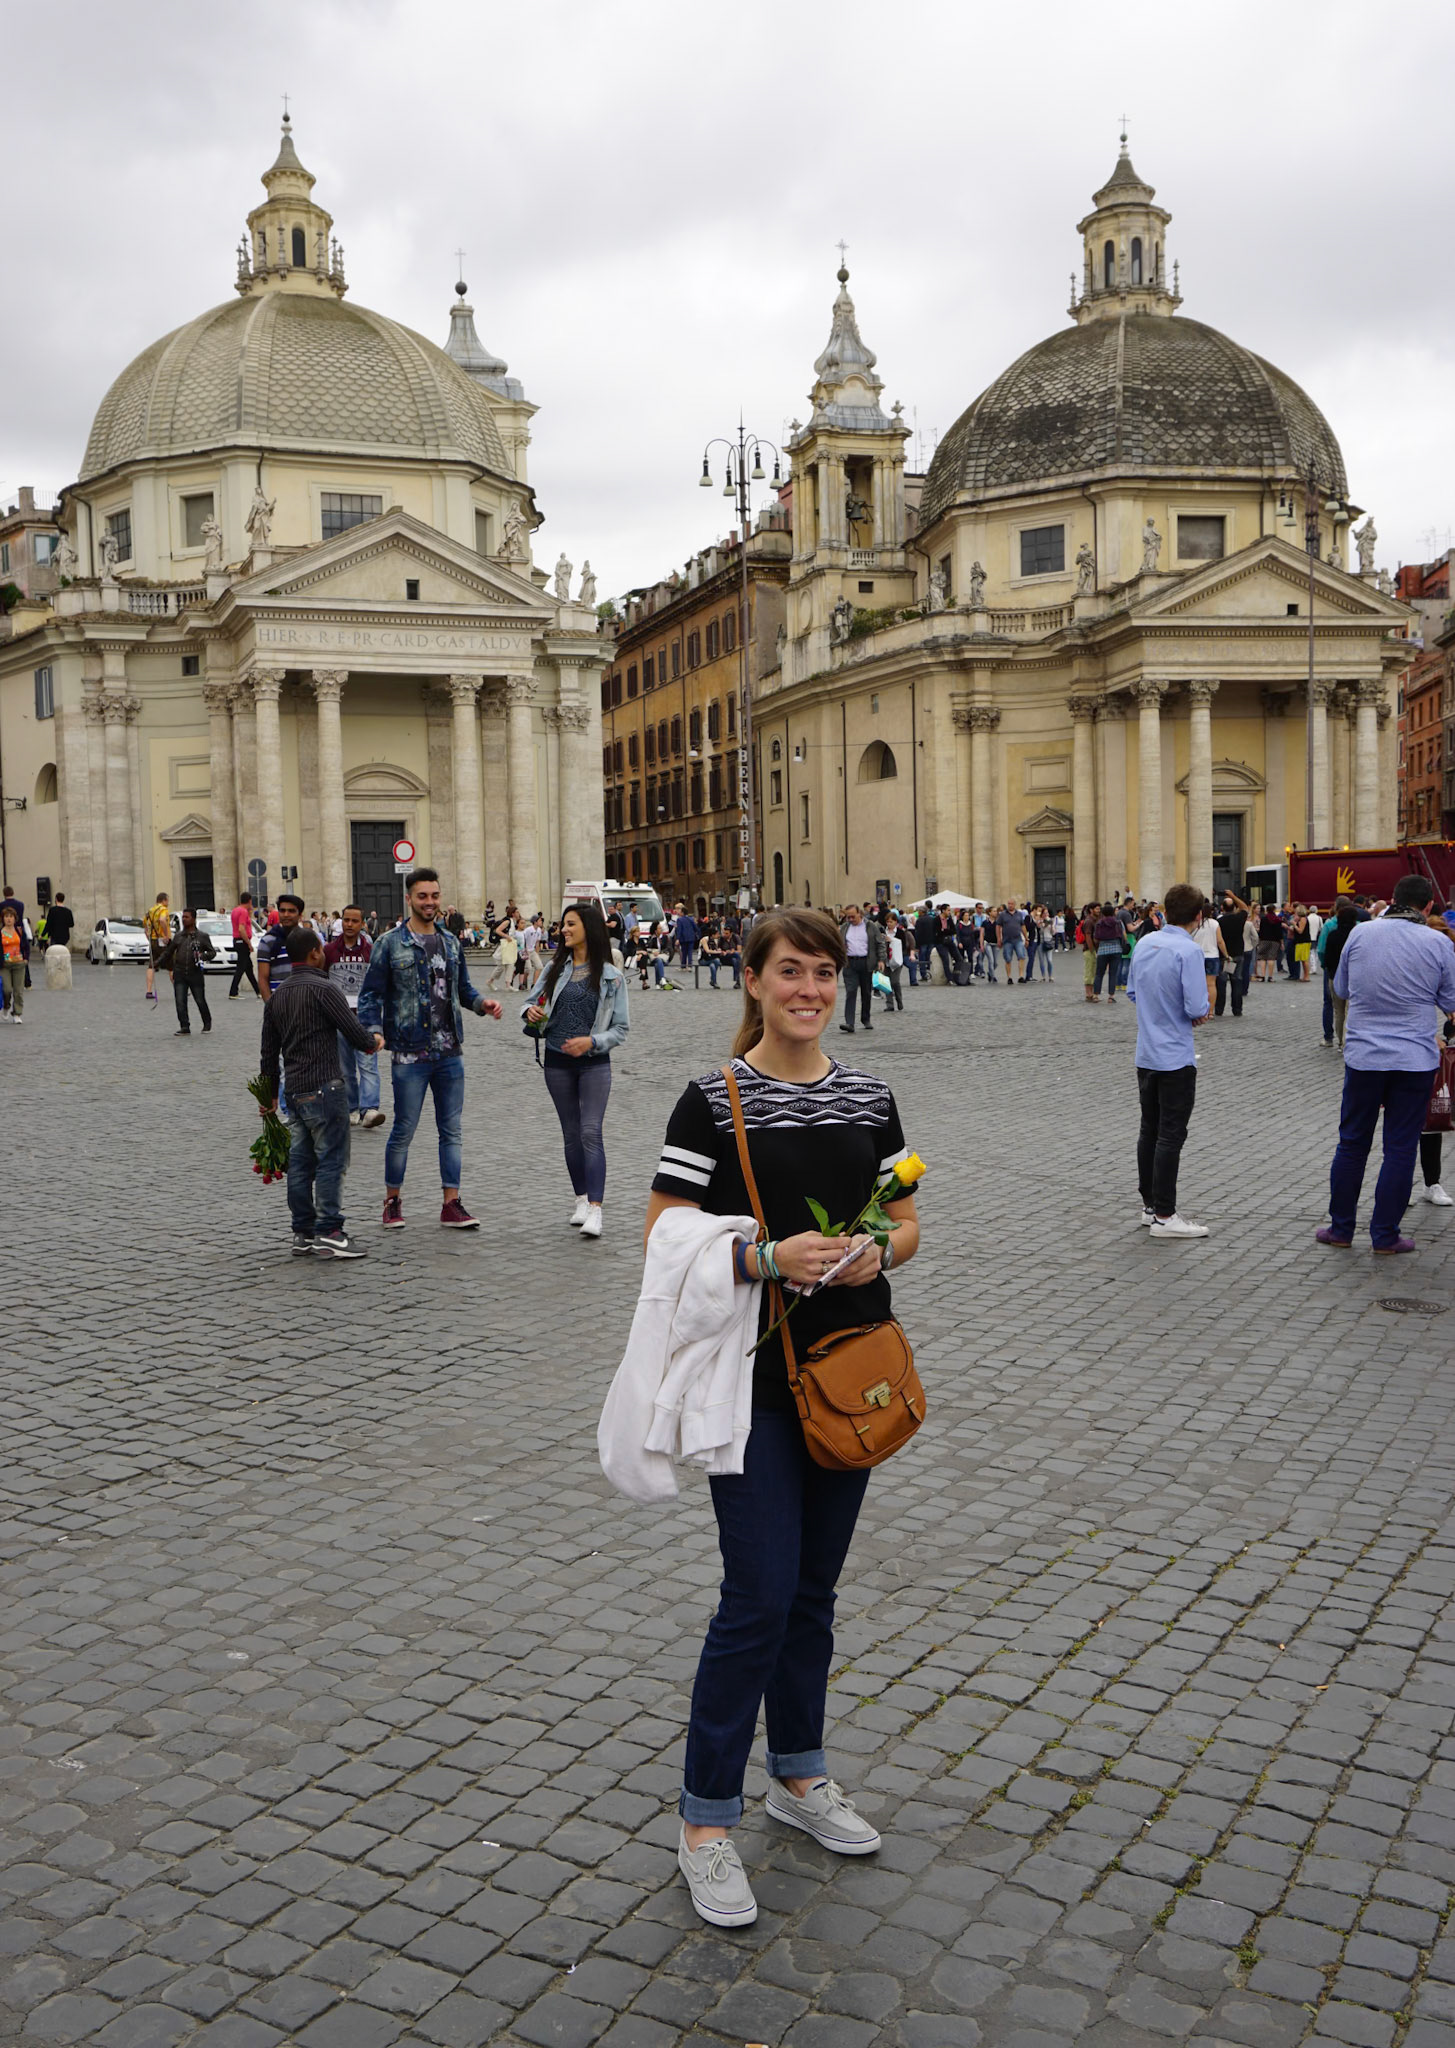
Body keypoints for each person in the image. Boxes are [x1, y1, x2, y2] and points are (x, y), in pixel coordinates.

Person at [645, 908, 921, 1927]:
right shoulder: (712, 1100)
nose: (809, 989)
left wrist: (876, 1250)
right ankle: (705, 1820)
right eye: (790, 972)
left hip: (850, 1372)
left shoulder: (870, 1094)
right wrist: (765, 1255)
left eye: (822, 973)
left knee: (813, 1591)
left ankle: (798, 1775)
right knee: (756, 1594)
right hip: (753, 1380)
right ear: (753, 981)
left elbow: (907, 1216)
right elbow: (663, 1229)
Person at [358, 867, 504, 1230]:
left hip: (449, 1052)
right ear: (409, 898)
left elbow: (464, 990)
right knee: (404, 1129)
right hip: (409, 1053)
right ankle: (392, 1202)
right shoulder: (389, 943)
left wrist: (481, 1004)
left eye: (435, 896)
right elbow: (370, 996)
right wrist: (374, 1031)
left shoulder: (451, 943)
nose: (430, 903)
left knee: (451, 1130)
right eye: (422, 896)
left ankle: (451, 1204)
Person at [1317, 875, 1455, 1255]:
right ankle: (1385, 1235)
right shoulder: (1438, 943)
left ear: (1393, 899)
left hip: (1364, 1057)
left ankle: (1341, 1229)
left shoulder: (1361, 935)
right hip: (1413, 1059)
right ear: (1428, 907)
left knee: (1352, 1143)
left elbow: (1341, 989)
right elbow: (1450, 1000)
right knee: (1400, 1147)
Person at [260, 924, 380, 1258]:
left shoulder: (278, 996)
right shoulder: (325, 989)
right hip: (325, 1088)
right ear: (314, 952)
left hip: (294, 1092)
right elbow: (354, 1033)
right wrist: (374, 1042)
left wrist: (269, 1096)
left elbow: (268, 1053)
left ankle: (303, 1232)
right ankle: (329, 1229)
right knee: (331, 1160)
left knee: (300, 1164)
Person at [524, 902, 630, 1240]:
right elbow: (530, 1001)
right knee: (570, 1133)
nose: (563, 930)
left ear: (588, 927)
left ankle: (596, 1209)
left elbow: (621, 1029)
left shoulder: (612, 975)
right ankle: (581, 1200)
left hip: (594, 1063)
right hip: (557, 1061)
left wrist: (593, 1041)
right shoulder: (554, 969)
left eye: (570, 924)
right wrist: (529, 1012)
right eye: (562, 925)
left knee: (590, 1131)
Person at [1125, 881, 1211, 1239]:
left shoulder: (1145, 941)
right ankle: (1165, 1214)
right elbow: (1196, 1007)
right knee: (1171, 1136)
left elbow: (1131, 990)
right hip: (1175, 1054)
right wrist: (1198, 1012)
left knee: (1150, 1130)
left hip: (1146, 1052)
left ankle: (1149, 1206)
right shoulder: (1188, 951)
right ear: (1198, 916)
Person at [325, 906, 386, 1129]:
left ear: (362, 924)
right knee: (345, 1068)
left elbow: (380, 982)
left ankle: (370, 1109)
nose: (349, 924)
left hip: (366, 1017)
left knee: (368, 1065)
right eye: (346, 920)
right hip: (339, 1018)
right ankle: (351, 1107)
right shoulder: (329, 951)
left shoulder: (371, 951)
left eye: (354, 921)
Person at [156, 908, 217, 1035]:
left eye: (187, 917)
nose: (184, 919)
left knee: (200, 1000)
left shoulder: (202, 936)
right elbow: (169, 952)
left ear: (194, 919)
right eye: (183, 917)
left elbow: (212, 952)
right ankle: (184, 1026)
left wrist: (202, 956)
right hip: (180, 972)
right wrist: (157, 962)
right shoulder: (178, 936)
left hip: (195, 973)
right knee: (180, 1000)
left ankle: (207, 1022)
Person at [1317, 897, 1358, 1047]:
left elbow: (1321, 950)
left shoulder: (1329, 926)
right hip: (1355, 973)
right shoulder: (1359, 928)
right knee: (1353, 1007)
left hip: (1334, 971)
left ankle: (1330, 1037)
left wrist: (1325, 966)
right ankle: (1353, 1039)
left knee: (1332, 1005)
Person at [838, 903, 884, 1034]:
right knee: (851, 991)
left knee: (866, 992)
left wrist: (881, 960)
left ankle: (866, 1019)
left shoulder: (871, 926)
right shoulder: (845, 928)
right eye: (848, 917)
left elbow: (880, 943)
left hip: (866, 962)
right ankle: (849, 1022)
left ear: (860, 914)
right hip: (850, 963)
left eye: (852, 917)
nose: (850, 919)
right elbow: (839, 943)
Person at [257, 895, 305, 1001]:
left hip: (304, 1002)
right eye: (282, 911)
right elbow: (263, 978)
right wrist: (270, 1006)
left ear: (300, 915)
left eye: (291, 911)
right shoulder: (267, 941)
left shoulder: (308, 939)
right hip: (278, 1002)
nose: (286, 915)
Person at [1214, 891, 1252, 1018]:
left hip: (1224, 954)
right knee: (1237, 981)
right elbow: (1245, 908)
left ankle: (1219, 1009)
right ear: (1234, 908)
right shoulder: (1239, 919)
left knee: (1221, 982)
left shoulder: (1219, 922)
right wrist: (1234, 896)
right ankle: (1237, 1009)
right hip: (1238, 953)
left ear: (1222, 908)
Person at [229, 892, 261, 998]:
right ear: (250, 901)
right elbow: (241, 928)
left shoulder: (235, 910)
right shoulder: (243, 911)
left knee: (248, 968)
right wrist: (249, 943)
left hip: (236, 940)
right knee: (241, 967)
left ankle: (258, 991)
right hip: (242, 941)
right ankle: (233, 991)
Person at [143, 891, 172, 1003]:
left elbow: (145, 927)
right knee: (171, 965)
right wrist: (165, 935)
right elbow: (162, 920)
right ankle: (178, 988)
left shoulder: (149, 911)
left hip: (153, 940)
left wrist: (149, 937)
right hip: (162, 940)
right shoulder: (163, 910)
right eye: (167, 900)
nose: (168, 903)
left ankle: (149, 991)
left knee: (152, 965)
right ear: (164, 900)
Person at [0, 905, 28, 1021]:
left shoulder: (19, 931)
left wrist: (26, 958)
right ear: (3, 919)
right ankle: (6, 1006)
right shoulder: (1, 932)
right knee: (7, 989)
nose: (9, 919)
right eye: (6, 916)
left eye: (11, 916)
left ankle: (17, 1013)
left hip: (19, 963)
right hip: (4, 964)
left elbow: (26, 945)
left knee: (18, 990)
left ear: (14, 918)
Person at [1092, 904, 1124, 1000]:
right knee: (1113, 973)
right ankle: (1111, 996)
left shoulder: (1099, 923)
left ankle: (1096, 995)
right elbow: (1122, 935)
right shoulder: (1118, 923)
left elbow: (1096, 938)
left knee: (1099, 973)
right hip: (1116, 949)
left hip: (1103, 950)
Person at [1000, 899, 1028, 984]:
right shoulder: (1003, 915)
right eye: (1009, 904)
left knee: (1021, 956)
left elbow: (1023, 926)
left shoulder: (1019, 914)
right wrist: (999, 938)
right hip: (1007, 940)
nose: (1010, 905)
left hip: (1018, 939)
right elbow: (998, 926)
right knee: (1008, 958)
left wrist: (1026, 938)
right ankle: (1009, 977)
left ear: (1015, 905)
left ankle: (1021, 976)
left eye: (1011, 904)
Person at [882, 913, 906, 1013]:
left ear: (896, 922)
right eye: (887, 922)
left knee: (895, 982)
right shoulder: (883, 931)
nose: (889, 924)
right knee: (886, 983)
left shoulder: (900, 932)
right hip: (885, 961)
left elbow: (904, 945)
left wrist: (892, 940)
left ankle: (899, 1000)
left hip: (896, 961)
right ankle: (889, 1004)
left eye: (891, 922)